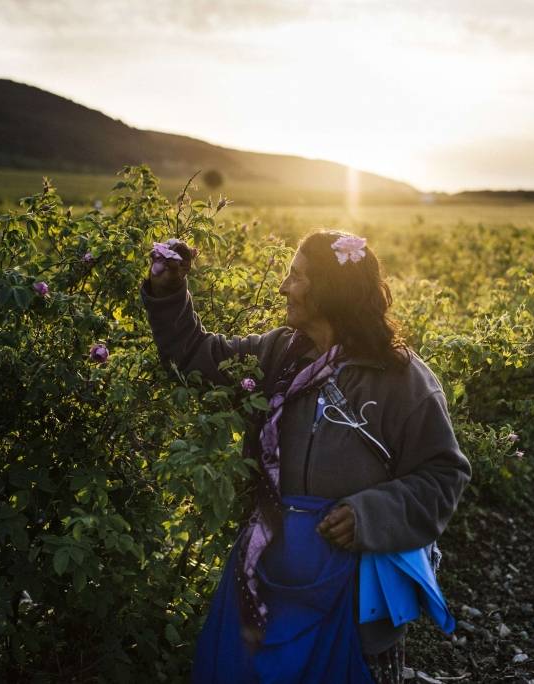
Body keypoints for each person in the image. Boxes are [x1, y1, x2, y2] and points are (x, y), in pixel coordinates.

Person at [140, 229, 471, 684]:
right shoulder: (278, 353)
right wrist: (168, 291)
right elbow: (195, 356)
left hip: (351, 589)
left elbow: (443, 475)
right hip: (264, 570)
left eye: (295, 277)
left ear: (331, 291)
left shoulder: (401, 378)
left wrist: (370, 515)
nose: (282, 288)